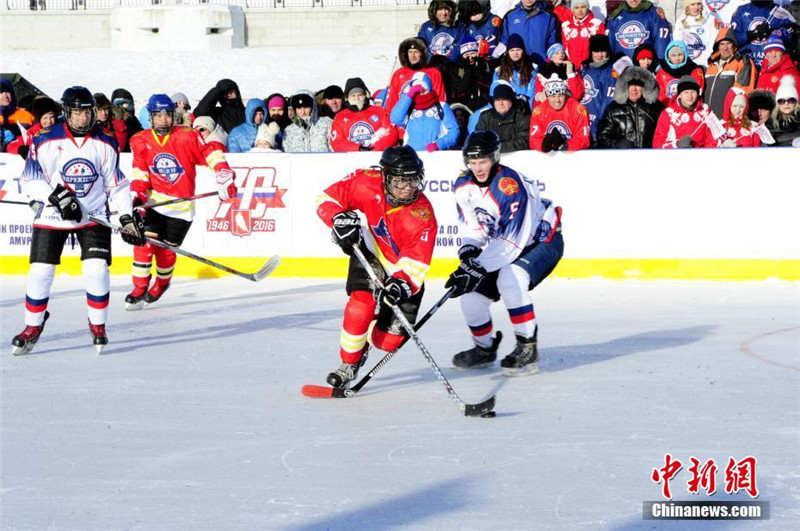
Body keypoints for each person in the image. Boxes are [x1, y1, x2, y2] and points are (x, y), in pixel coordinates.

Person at [11, 86, 144, 355]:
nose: (82, 118)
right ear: (66, 113)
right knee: (41, 271)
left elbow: (116, 185)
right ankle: (33, 326)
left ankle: (97, 325)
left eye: (87, 112)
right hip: (52, 215)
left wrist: (126, 216)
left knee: (96, 270)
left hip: (93, 215)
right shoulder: (45, 138)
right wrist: (57, 197)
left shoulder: (105, 141)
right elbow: (31, 179)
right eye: (76, 113)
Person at [316, 146, 437, 388]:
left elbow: (415, 261)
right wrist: (338, 219)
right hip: (371, 252)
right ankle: (349, 363)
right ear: (385, 177)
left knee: (388, 343)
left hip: (403, 273)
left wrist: (400, 285)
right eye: (399, 182)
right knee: (359, 309)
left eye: (412, 180)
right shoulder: (366, 182)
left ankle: (367, 336)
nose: (407, 188)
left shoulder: (423, 217)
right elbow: (326, 198)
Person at [446, 130, 563, 376]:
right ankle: (485, 348)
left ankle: (527, 346)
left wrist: (476, 268)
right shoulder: (463, 185)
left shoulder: (509, 188)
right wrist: (469, 256)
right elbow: (474, 225)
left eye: (483, 161)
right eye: (473, 162)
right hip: (506, 244)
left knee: (510, 279)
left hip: (541, 240)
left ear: (495, 158)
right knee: (470, 299)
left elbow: (512, 243)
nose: (477, 168)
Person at [125, 94, 236, 309]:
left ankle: (162, 284)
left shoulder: (187, 136)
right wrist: (137, 196)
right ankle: (139, 286)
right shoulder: (141, 140)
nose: (163, 120)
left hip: (182, 209)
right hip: (154, 203)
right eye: (158, 116)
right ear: (151, 117)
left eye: (167, 115)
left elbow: (210, 153)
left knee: (166, 253)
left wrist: (223, 173)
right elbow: (140, 172)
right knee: (144, 243)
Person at [389, 72, 460, 151]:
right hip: (411, 156)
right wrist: (409, 95)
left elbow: (453, 132)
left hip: (434, 155)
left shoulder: (441, 106)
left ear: (429, 88)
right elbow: (395, 118)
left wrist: (438, 145)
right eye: (417, 92)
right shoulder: (409, 108)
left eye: (424, 90)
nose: (421, 94)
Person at [596, 66, 663, 148]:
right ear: (623, 86)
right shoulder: (612, 109)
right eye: (630, 85)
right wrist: (618, 144)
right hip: (623, 158)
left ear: (644, 87)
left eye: (638, 85)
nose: (634, 89)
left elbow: (665, 135)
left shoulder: (657, 108)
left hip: (649, 158)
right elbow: (601, 138)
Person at [330, 77, 399, 152]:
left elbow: (391, 133)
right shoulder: (340, 117)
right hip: (352, 159)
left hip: (377, 156)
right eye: (353, 96)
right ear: (347, 98)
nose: (357, 98)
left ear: (366, 95)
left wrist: (373, 149)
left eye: (360, 95)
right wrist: (358, 148)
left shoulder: (380, 111)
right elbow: (337, 142)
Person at [704, 28, 757, 118]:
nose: (725, 47)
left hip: (729, 121)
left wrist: (732, 120)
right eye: (722, 44)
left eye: (728, 43)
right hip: (708, 120)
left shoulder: (742, 63)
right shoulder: (711, 66)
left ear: (734, 45)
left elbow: (743, 94)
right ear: (718, 46)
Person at [529, 75, 591, 152]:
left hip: (572, 156)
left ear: (565, 95)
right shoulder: (538, 112)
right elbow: (534, 139)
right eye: (553, 96)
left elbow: (584, 139)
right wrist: (543, 145)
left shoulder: (579, 110)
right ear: (547, 97)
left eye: (560, 96)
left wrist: (566, 145)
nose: (557, 100)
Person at [385, 37, 448, 112]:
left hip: (428, 115)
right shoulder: (398, 74)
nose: (413, 56)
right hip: (403, 117)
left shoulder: (433, 73)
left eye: (416, 52)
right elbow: (392, 101)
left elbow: (440, 98)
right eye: (410, 52)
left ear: (422, 54)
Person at [653, 75, 711, 148]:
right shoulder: (668, 114)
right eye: (686, 92)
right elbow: (657, 144)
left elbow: (713, 137)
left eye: (693, 92)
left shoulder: (705, 110)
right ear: (680, 94)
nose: (689, 96)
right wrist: (677, 144)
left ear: (697, 93)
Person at [579, 34, 619, 140]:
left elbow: (608, 100)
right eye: (596, 51)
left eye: (602, 51)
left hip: (598, 122)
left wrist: (599, 122)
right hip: (582, 120)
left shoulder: (611, 71)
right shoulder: (584, 69)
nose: (599, 55)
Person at [606, 0, 672, 60]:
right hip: (621, 68)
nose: (634, 1)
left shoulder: (653, 13)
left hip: (646, 66)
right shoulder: (615, 16)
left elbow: (661, 42)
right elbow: (609, 43)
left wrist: (661, 62)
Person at [475, 82, 531, 151]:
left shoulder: (523, 116)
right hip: (490, 158)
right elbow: (478, 139)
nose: (501, 103)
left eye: (504, 99)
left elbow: (524, 142)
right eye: (497, 100)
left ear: (511, 101)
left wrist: (496, 147)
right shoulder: (485, 117)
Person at [500, 0, 559, 66]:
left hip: (541, 66)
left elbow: (553, 43)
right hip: (515, 67)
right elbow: (504, 43)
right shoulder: (509, 16)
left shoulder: (549, 16)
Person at [448, 35, 493, 111]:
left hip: (484, 106)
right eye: (466, 55)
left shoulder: (486, 65)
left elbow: (489, 86)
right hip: (465, 108)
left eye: (472, 54)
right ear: (462, 56)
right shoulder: (457, 70)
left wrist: (477, 70)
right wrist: (468, 72)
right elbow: (459, 93)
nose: (470, 58)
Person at [655, 40, 706, 106]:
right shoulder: (662, 73)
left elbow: (698, 92)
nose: (677, 58)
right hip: (668, 110)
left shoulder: (695, 71)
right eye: (673, 55)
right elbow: (660, 95)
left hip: (690, 108)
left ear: (685, 55)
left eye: (680, 55)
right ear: (668, 57)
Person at [493, 33, 538, 108]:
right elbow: (495, 91)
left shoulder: (532, 69)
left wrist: (525, 106)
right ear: (508, 52)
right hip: (506, 107)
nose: (515, 53)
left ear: (523, 51)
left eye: (518, 50)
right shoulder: (499, 70)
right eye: (512, 50)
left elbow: (532, 92)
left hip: (525, 106)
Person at [558, 0, 606, 67]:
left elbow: (602, 49)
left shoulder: (597, 24)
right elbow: (565, 48)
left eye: (583, 7)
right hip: (573, 68)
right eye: (576, 7)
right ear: (572, 9)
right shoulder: (565, 26)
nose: (580, 10)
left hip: (591, 68)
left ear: (587, 8)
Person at [674, 0, 719, 67]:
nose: (696, 7)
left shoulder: (710, 19)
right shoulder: (680, 22)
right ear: (687, 6)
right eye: (692, 4)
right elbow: (678, 45)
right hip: (687, 65)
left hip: (707, 63)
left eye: (699, 4)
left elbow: (715, 41)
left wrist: (711, 59)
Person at [1, 79, 35, 151]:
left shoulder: (26, 114)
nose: (5, 95)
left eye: (7, 91)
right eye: (0, 92)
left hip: (18, 158)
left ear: (12, 94)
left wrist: (16, 132)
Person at [767, 77, 800, 146]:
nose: (786, 104)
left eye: (790, 100)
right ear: (777, 104)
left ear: (796, 102)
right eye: (781, 101)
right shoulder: (770, 124)